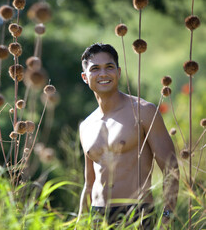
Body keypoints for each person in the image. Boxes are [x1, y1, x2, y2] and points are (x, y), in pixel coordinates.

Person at [76, 43, 179, 229]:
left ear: (119, 72)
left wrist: (166, 218)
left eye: (109, 67)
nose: (103, 74)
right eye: (95, 69)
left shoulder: (143, 111)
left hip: (137, 214)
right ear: (85, 77)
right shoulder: (86, 126)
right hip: (97, 217)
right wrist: (79, 223)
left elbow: (171, 170)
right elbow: (89, 184)